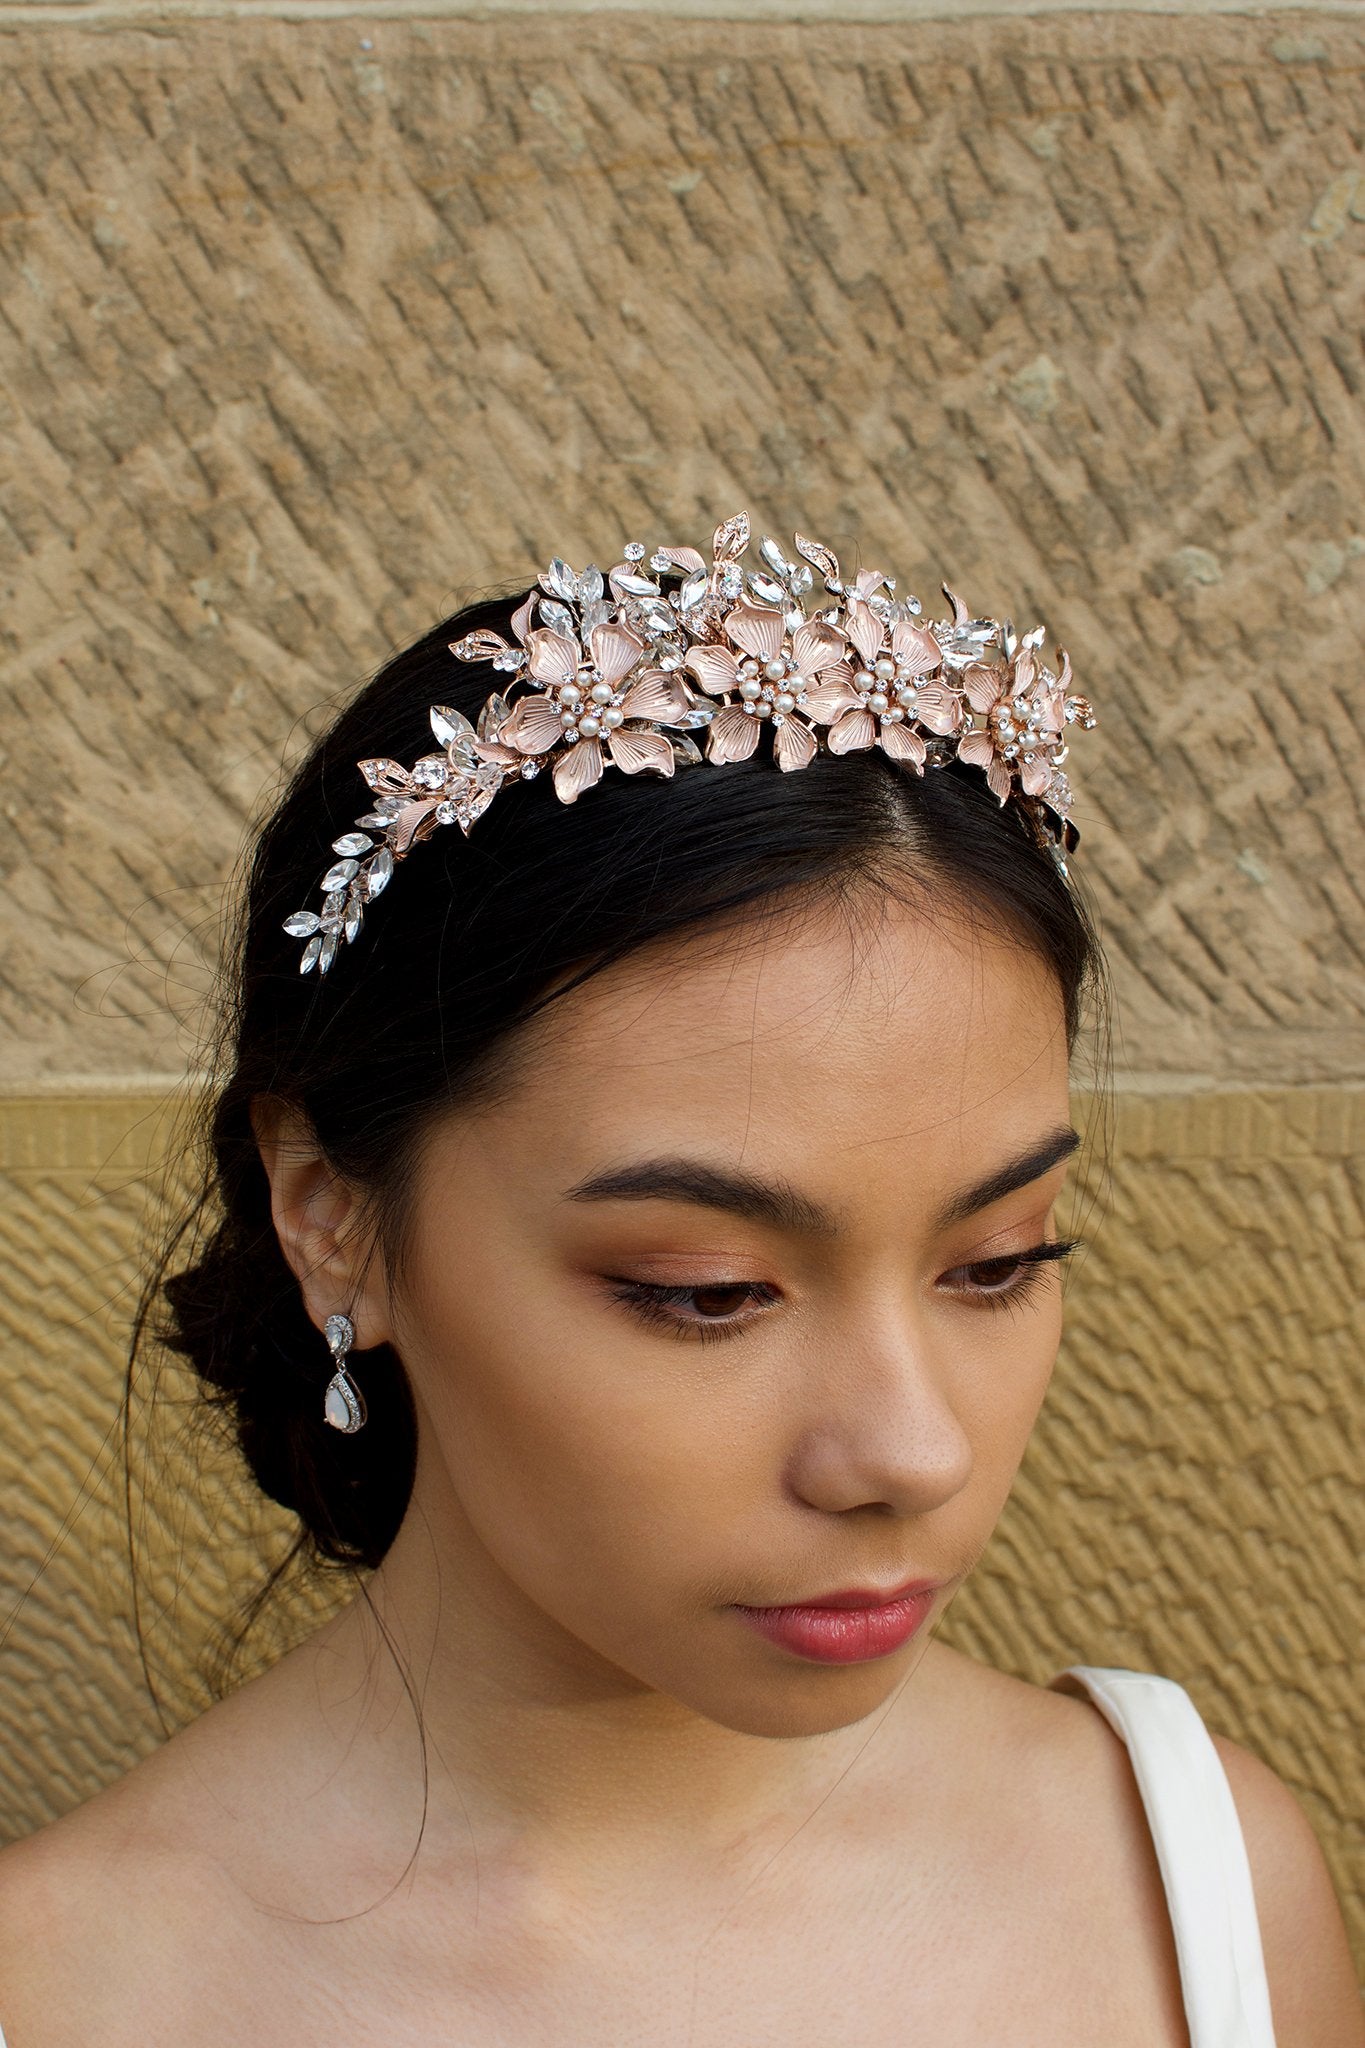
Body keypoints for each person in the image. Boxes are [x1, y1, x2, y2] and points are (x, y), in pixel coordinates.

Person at [0, 517, 1357, 2046]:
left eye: (995, 1262)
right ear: (328, 1214)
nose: (909, 1453)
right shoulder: (71, 1990)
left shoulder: (1190, 1895)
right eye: (705, 1291)